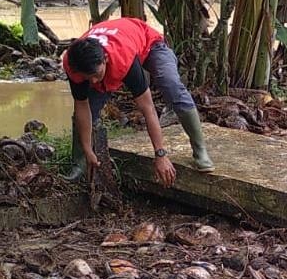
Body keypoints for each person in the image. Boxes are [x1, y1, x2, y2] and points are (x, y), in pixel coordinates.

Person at [62, 17, 214, 185]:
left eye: (97, 75)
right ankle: (80, 164)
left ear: (105, 58)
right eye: (88, 78)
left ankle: (200, 149)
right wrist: (87, 149)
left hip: (149, 45)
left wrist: (160, 154)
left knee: (171, 85)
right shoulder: (74, 62)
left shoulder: (122, 59)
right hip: (118, 48)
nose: (94, 82)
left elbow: (147, 108)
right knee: (89, 106)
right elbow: (82, 106)